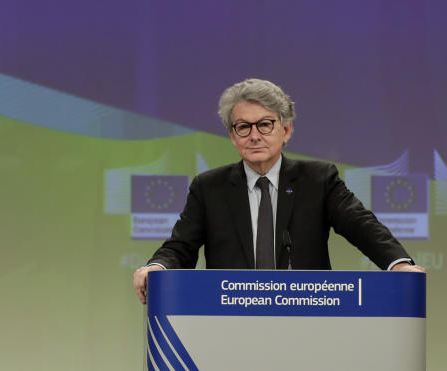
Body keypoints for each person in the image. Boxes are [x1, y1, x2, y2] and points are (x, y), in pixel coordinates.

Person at [133, 78, 425, 303]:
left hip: (307, 315)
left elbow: (362, 225)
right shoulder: (209, 187)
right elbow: (180, 247)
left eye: (265, 124)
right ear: (232, 137)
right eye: (243, 127)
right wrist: (157, 267)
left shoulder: (317, 180)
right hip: (229, 319)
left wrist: (398, 264)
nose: (254, 135)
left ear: (286, 131)